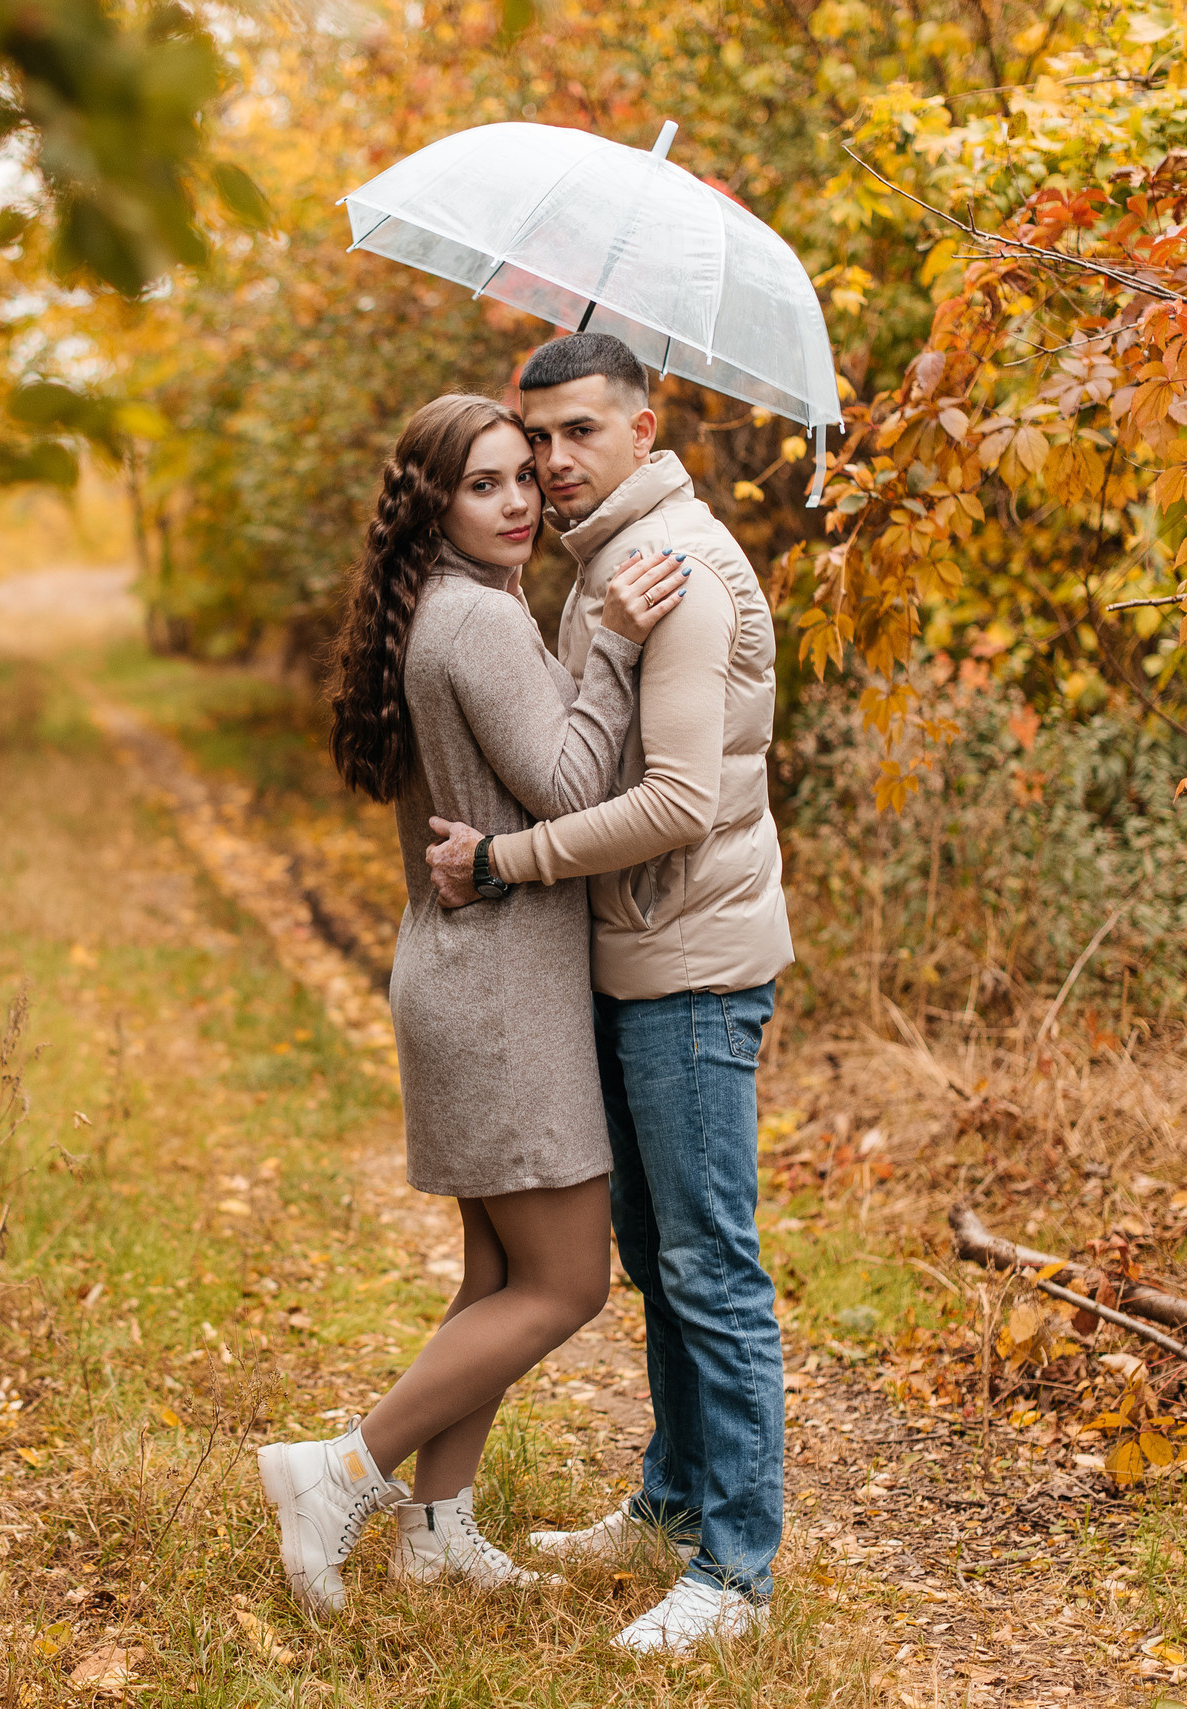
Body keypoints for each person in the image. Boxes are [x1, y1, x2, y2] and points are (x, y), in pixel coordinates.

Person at [255, 392, 690, 1620]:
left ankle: (440, 1530)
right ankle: (339, 1469)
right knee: (566, 1287)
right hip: (500, 989)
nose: (517, 501)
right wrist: (608, 640)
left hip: (467, 972)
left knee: (497, 1275)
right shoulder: (477, 621)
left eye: (522, 477)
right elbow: (563, 787)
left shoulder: (444, 608)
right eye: (484, 484)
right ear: (433, 503)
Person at [424, 332, 794, 1654]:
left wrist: (507, 862)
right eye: (539, 439)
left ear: (648, 426)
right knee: (656, 1258)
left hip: (690, 964)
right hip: (632, 959)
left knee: (710, 1268)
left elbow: (681, 799)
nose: (551, 461)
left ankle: (735, 1574)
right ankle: (672, 1500)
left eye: (580, 432)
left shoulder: (675, 568)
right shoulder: (603, 570)